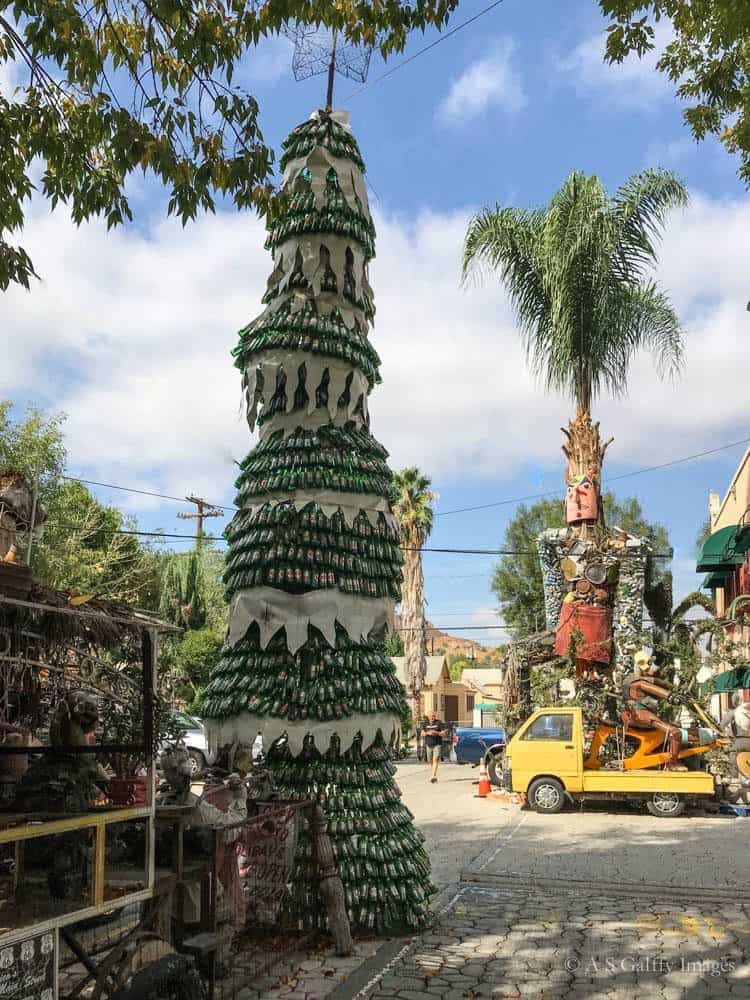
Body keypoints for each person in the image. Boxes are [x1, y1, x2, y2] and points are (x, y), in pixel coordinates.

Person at [620, 650, 686, 771]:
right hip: (640, 716)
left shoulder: (631, 679)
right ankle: (672, 763)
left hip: (634, 716)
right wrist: (671, 696)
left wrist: (675, 689)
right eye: (650, 665)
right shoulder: (638, 682)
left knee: (672, 727)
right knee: (675, 732)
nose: (653, 669)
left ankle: (657, 759)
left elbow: (657, 682)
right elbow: (652, 687)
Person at [422, 710, 448, 783]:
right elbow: (422, 733)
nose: (432, 717)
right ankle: (433, 774)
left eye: (433, 716)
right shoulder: (425, 724)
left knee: (435, 759)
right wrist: (427, 733)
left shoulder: (438, 723)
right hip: (428, 744)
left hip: (437, 744)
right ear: (428, 717)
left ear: (435, 716)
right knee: (430, 761)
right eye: (430, 716)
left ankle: (433, 776)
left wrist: (436, 732)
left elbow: (443, 733)